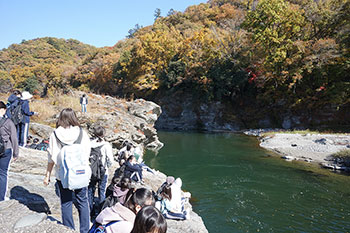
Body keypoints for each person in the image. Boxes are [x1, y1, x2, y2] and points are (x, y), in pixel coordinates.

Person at [43, 108, 91, 233]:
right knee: (83, 201)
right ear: (73, 118)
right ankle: (85, 230)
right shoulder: (81, 132)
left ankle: (69, 229)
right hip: (80, 173)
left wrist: (47, 175)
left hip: (62, 174)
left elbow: (52, 157)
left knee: (66, 202)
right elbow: (87, 152)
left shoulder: (55, 134)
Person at [88, 125, 114, 218]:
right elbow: (111, 160)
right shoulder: (106, 145)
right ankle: (100, 213)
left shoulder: (89, 143)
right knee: (101, 191)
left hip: (91, 171)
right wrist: (106, 166)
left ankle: (90, 211)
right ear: (103, 134)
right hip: (103, 171)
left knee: (90, 190)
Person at [0, 101, 19, 201]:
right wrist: (16, 153)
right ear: (3, 110)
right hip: (5, 149)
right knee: (3, 174)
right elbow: (14, 138)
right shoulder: (8, 122)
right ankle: (1, 198)